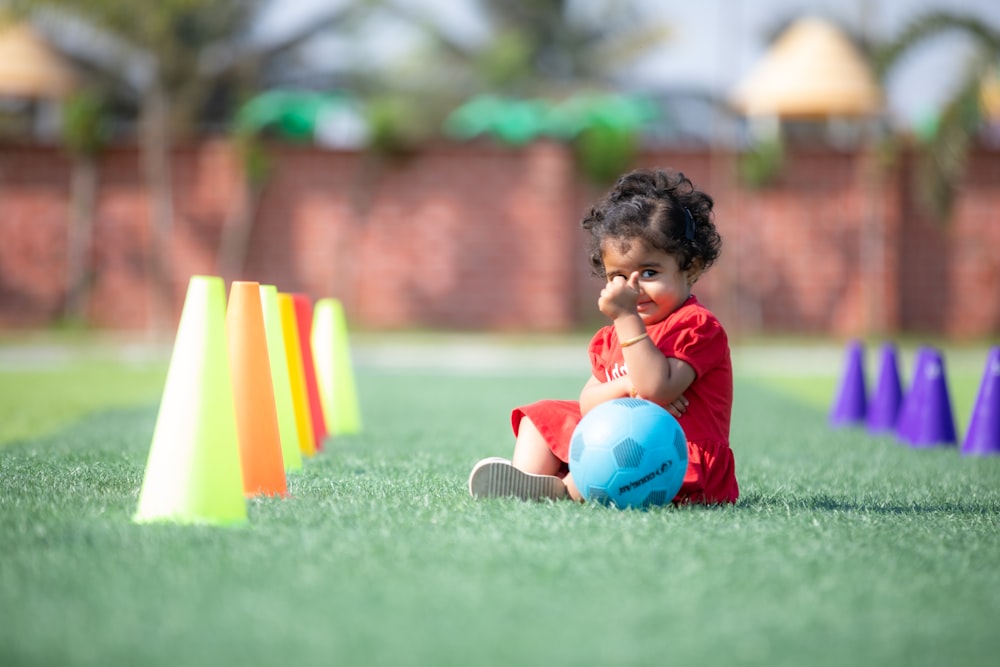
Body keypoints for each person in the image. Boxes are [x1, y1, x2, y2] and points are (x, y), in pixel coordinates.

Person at [467, 167, 737, 505]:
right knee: (543, 414)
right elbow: (589, 401)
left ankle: (564, 488)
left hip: (677, 456)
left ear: (691, 267)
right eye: (619, 276)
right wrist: (625, 388)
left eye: (650, 272)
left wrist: (626, 319)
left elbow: (655, 388)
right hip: (621, 442)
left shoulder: (696, 326)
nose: (634, 288)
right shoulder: (609, 339)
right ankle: (526, 480)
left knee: (610, 464)